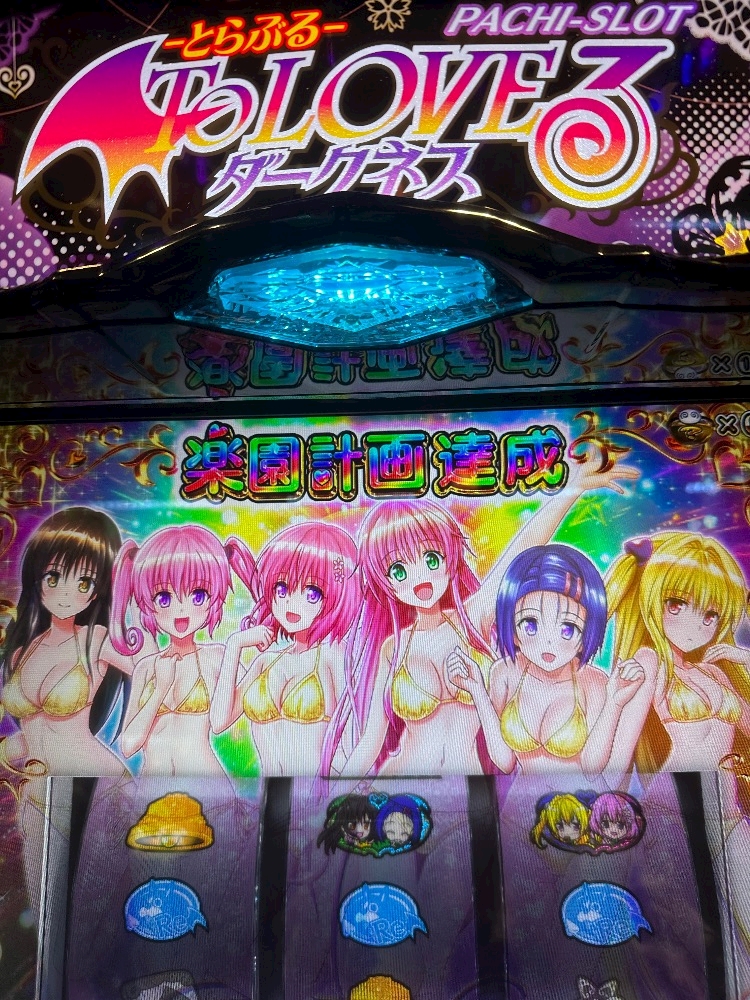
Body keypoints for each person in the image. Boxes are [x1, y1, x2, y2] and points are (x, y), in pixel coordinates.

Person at [323, 458, 638, 778]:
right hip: (401, 782)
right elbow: (371, 742)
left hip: (469, 787)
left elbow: (523, 548)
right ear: (384, 581)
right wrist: (333, 795)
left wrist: (572, 490)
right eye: (399, 570)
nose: (419, 577)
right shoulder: (394, 647)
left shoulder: (472, 619)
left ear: (450, 557)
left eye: (431, 558)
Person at [447, 545, 649, 776]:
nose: (549, 642)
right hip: (522, 797)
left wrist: (614, 702)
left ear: (587, 633)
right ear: (512, 628)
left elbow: (592, 769)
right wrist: (477, 691)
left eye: (567, 628)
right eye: (530, 624)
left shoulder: (593, 681)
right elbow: (504, 762)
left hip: (581, 796)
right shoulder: (504, 672)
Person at [211, 522, 358, 775]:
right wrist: (234, 645)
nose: (292, 602)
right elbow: (218, 722)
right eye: (282, 589)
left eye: (312, 592)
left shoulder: (334, 654)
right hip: (272, 791)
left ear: (338, 595)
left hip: (322, 787)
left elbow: (353, 738)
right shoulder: (266, 662)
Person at [1, 506, 137, 776]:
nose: (65, 594)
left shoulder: (96, 641)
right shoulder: (22, 652)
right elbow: (35, 733)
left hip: (95, 779)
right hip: (39, 782)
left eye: (84, 583)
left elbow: (151, 670)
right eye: (53, 577)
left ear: (98, 591)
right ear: (37, 576)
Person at [111, 525, 255, 776]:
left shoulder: (217, 657)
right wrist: (160, 689)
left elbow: (226, 720)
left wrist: (237, 647)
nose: (180, 610)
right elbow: (128, 746)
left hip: (207, 784)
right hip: (151, 786)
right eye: (164, 598)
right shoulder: (147, 667)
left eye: (198, 595)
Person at [605, 532, 750, 773]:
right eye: (677, 605)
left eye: (710, 615)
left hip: (726, 794)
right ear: (652, 599)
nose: (695, 626)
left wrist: (746, 660)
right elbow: (621, 749)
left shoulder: (713, 672)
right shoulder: (650, 661)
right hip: (678, 790)